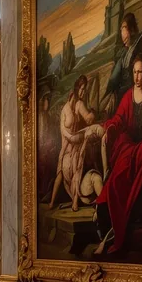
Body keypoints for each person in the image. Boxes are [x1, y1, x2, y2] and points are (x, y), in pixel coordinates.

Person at [90, 51, 142, 255]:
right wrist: (108, 130)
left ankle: (118, 225)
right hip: (130, 148)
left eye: (141, 72)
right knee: (122, 166)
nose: (137, 77)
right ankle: (108, 217)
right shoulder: (128, 95)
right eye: (135, 72)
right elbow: (119, 119)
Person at [48, 75, 99, 211]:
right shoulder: (66, 108)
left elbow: (88, 120)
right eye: (81, 89)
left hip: (76, 146)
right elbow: (63, 131)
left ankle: (75, 202)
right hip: (66, 147)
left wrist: (93, 113)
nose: (82, 92)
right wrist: (71, 137)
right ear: (76, 89)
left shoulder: (79, 104)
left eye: (84, 90)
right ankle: (52, 202)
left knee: (77, 166)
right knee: (59, 173)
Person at [102, 13, 142, 115]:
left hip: (132, 90)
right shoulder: (124, 52)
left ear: (131, 29)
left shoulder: (137, 49)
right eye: (121, 29)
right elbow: (115, 77)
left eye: (124, 28)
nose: (122, 32)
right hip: (121, 90)